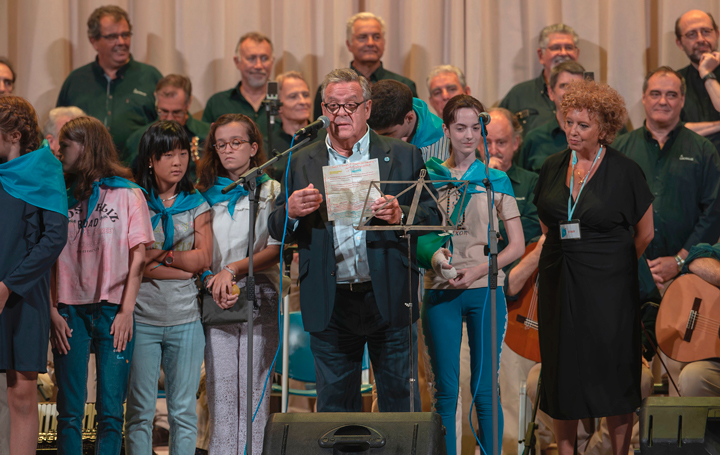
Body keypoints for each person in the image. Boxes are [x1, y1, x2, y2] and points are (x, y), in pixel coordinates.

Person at [268, 68, 441, 413]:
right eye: (333, 106)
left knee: (399, 404)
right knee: (334, 408)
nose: (341, 114)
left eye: (350, 105)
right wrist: (291, 211)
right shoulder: (301, 159)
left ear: (367, 108)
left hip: (387, 295)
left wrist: (400, 214)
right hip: (331, 300)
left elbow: (433, 214)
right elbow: (276, 228)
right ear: (322, 109)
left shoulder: (402, 155)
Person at [533, 79, 654, 455]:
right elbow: (547, 225)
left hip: (610, 288)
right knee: (561, 371)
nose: (573, 130)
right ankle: (566, 451)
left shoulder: (626, 171)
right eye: (569, 122)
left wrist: (612, 267)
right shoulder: (552, 167)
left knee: (614, 371)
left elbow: (646, 233)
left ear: (604, 128)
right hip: (559, 283)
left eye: (583, 125)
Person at [421, 94, 524, 455]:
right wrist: (437, 261)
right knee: (446, 389)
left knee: (484, 388)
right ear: (446, 130)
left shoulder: (496, 179)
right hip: (440, 288)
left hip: (484, 288)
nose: (469, 136)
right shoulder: (430, 177)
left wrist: (480, 270)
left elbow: (517, 246)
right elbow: (418, 236)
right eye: (460, 128)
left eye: (475, 128)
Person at [51, 116, 154, 455]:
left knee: (111, 412)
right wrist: (52, 310)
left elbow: (138, 256)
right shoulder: (59, 194)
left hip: (114, 309)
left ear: (87, 146)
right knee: (69, 411)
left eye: (67, 145)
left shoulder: (128, 193)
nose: (60, 151)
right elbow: (46, 257)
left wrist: (127, 311)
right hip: (68, 310)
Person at [196, 113, 282, 454]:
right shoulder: (203, 194)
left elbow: (274, 249)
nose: (228, 150)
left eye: (236, 143)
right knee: (222, 390)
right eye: (221, 145)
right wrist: (210, 279)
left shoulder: (272, 190)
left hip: (260, 291)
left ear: (253, 147)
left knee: (254, 389)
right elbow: (197, 250)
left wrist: (232, 270)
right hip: (216, 294)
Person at [124, 121, 211, 454]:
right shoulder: (135, 201)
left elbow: (202, 259)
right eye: (168, 154)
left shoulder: (196, 203)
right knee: (140, 414)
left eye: (183, 153)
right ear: (150, 159)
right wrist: (179, 265)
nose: (178, 161)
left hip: (186, 320)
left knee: (184, 412)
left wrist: (159, 261)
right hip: (142, 320)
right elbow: (133, 263)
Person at [0, 96, 68, 455]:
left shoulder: (45, 169)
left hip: (26, 294)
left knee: (23, 393)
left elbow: (55, 236)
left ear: (12, 135)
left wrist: (9, 285)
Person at [614, 67, 720, 292]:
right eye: (655, 94)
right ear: (643, 98)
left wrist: (680, 260)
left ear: (682, 100)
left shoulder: (703, 150)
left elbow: (713, 212)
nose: (663, 101)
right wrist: (637, 262)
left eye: (671, 95)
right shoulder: (619, 150)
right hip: (627, 273)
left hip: (688, 276)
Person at [56, 5, 162, 162]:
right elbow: (60, 131)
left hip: (138, 176)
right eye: (112, 36)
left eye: (125, 35)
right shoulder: (75, 81)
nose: (121, 42)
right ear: (94, 42)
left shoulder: (151, 77)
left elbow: (167, 127)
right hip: (84, 176)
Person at [312, 12, 418, 118]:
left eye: (376, 37)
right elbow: (320, 132)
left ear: (384, 43)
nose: (371, 43)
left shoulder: (405, 86)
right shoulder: (329, 89)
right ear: (349, 44)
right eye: (363, 37)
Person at [499, 24, 580, 137]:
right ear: (541, 55)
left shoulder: (593, 96)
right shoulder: (518, 95)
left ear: (577, 53)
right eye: (556, 48)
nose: (563, 53)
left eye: (569, 47)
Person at [124, 75, 211, 172]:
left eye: (176, 112)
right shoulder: (139, 139)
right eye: (163, 111)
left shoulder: (208, 135)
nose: (169, 119)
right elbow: (126, 179)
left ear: (189, 103)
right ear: (156, 100)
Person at [202, 32, 275, 138]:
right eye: (251, 58)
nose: (258, 66)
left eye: (264, 58)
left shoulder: (287, 103)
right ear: (237, 62)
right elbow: (206, 147)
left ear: (272, 62)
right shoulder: (217, 103)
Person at [519, 61, 585, 173]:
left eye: (577, 87)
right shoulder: (534, 140)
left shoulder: (599, 137)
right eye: (564, 86)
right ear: (550, 92)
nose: (571, 93)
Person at [368, 79, 449, 161]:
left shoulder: (446, 140)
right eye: (375, 133)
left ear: (409, 118)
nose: (379, 139)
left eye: (388, 134)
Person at [264, 71, 324, 181]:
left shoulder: (326, 138)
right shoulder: (268, 145)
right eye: (293, 96)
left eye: (305, 95)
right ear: (278, 106)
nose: (302, 101)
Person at [675, 10, 720, 152]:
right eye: (691, 34)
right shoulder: (674, 82)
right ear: (680, 43)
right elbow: (670, 132)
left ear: (717, 34)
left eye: (706, 31)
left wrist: (707, 74)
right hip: (689, 166)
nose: (700, 39)